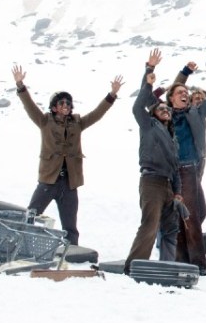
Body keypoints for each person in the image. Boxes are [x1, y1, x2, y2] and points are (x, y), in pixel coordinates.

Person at [11, 64, 123, 248]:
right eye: (61, 102)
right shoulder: (44, 121)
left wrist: (111, 95)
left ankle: (71, 254)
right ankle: (20, 246)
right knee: (31, 215)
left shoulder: (77, 123)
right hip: (48, 180)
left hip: (69, 183)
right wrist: (20, 85)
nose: (66, 105)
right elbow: (29, 106)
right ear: (54, 107)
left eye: (68, 103)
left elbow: (97, 114)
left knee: (70, 225)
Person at [162, 49, 206, 274]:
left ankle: (184, 257)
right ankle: (197, 264)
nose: (184, 94)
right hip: (176, 170)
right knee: (190, 216)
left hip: (192, 168)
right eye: (180, 92)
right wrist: (184, 73)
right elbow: (168, 90)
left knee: (196, 213)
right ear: (172, 98)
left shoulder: (196, 113)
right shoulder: (164, 114)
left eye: (186, 92)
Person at [126, 49, 183, 273]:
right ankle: (133, 266)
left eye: (167, 108)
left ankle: (167, 266)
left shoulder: (172, 138)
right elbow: (138, 105)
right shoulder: (148, 126)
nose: (165, 110)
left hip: (168, 183)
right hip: (151, 181)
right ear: (153, 114)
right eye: (160, 108)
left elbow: (175, 167)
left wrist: (177, 191)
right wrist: (149, 73)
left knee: (170, 228)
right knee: (149, 225)